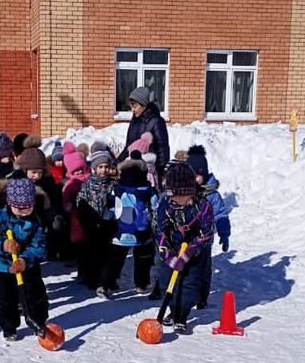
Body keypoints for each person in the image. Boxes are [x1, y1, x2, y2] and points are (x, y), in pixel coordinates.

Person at [0, 178, 48, 343]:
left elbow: (39, 244)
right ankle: (9, 328)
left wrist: (24, 260)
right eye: (18, 208)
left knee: (35, 295)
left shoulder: (37, 219)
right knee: (4, 299)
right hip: (0, 266)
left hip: (27, 266)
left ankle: (38, 322)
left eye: (27, 207)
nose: (23, 211)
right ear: (9, 202)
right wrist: (2, 244)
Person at [153, 162, 215, 334]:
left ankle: (182, 315)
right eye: (173, 195)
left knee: (190, 282)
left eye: (180, 195)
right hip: (172, 248)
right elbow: (159, 231)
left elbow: (206, 233)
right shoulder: (166, 204)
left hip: (195, 251)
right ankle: (173, 311)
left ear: (190, 191)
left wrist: (188, 254)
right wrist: (169, 257)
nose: (176, 200)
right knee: (168, 281)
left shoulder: (203, 205)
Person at [186, 144, 231, 309]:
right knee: (186, 270)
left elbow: (220, 214)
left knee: (203, 271)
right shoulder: (184, 192)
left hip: (204, 240)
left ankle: (202, 297)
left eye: (199, 174)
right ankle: (185, 298)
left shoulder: (212, 195)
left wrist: (224, 233)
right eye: (193, 174)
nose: (196, 178)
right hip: (186, 239)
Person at [110, 151, 158, 293]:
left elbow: (111, 207)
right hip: (142, 229)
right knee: (143, 258)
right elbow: (154, 206)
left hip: (120, 230)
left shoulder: (117, 189)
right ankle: (141, 284)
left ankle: (108, 283)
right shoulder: (148, 190)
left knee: (116, 258)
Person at [76, 143, 118, 297]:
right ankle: (91, 278)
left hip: (108, 225)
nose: (104, 170)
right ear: (94, 168)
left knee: (107, 254)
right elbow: (80, 201)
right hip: (91, 225)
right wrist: (86, 217)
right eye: (100, 167)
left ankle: (105, 282)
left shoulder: (113, 185)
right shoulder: (88, 185)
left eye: (106, 167)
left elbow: (118, 203)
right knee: (92, 253)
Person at [118, 86, 170, 178]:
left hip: (149, 172)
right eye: (131, 106)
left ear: (144, 105)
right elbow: (129, 146)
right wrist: (117, 163)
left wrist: (157, 172)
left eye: (135, 106)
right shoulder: (134, 121)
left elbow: (163, 149)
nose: (132, 110)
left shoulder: (156, 121)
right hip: (133, 170)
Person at [61, 142, 89, 280]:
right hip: (77, 218)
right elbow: (66, 198)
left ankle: (87, 271)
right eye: (75, 171)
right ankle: (82, 272)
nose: (79, 172)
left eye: (80, 169)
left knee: (89, 247)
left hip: (91, 216)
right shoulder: (71, 184)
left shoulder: (90, 179)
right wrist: (69, 206)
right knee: (81, 246)